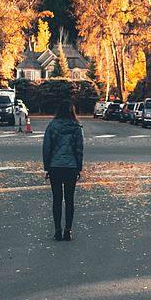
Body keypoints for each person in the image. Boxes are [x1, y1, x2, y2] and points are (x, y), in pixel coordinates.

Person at [42, 101, 84, 241]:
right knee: (70, 199)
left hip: (55, 166)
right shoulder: (76, 127)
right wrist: (79, 167)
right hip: (71, 167)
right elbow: (79, 149)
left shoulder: (52, 126)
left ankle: (57, 230)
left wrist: (47, 166)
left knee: (57, 199)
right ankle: (68, 230)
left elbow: (47, 148)